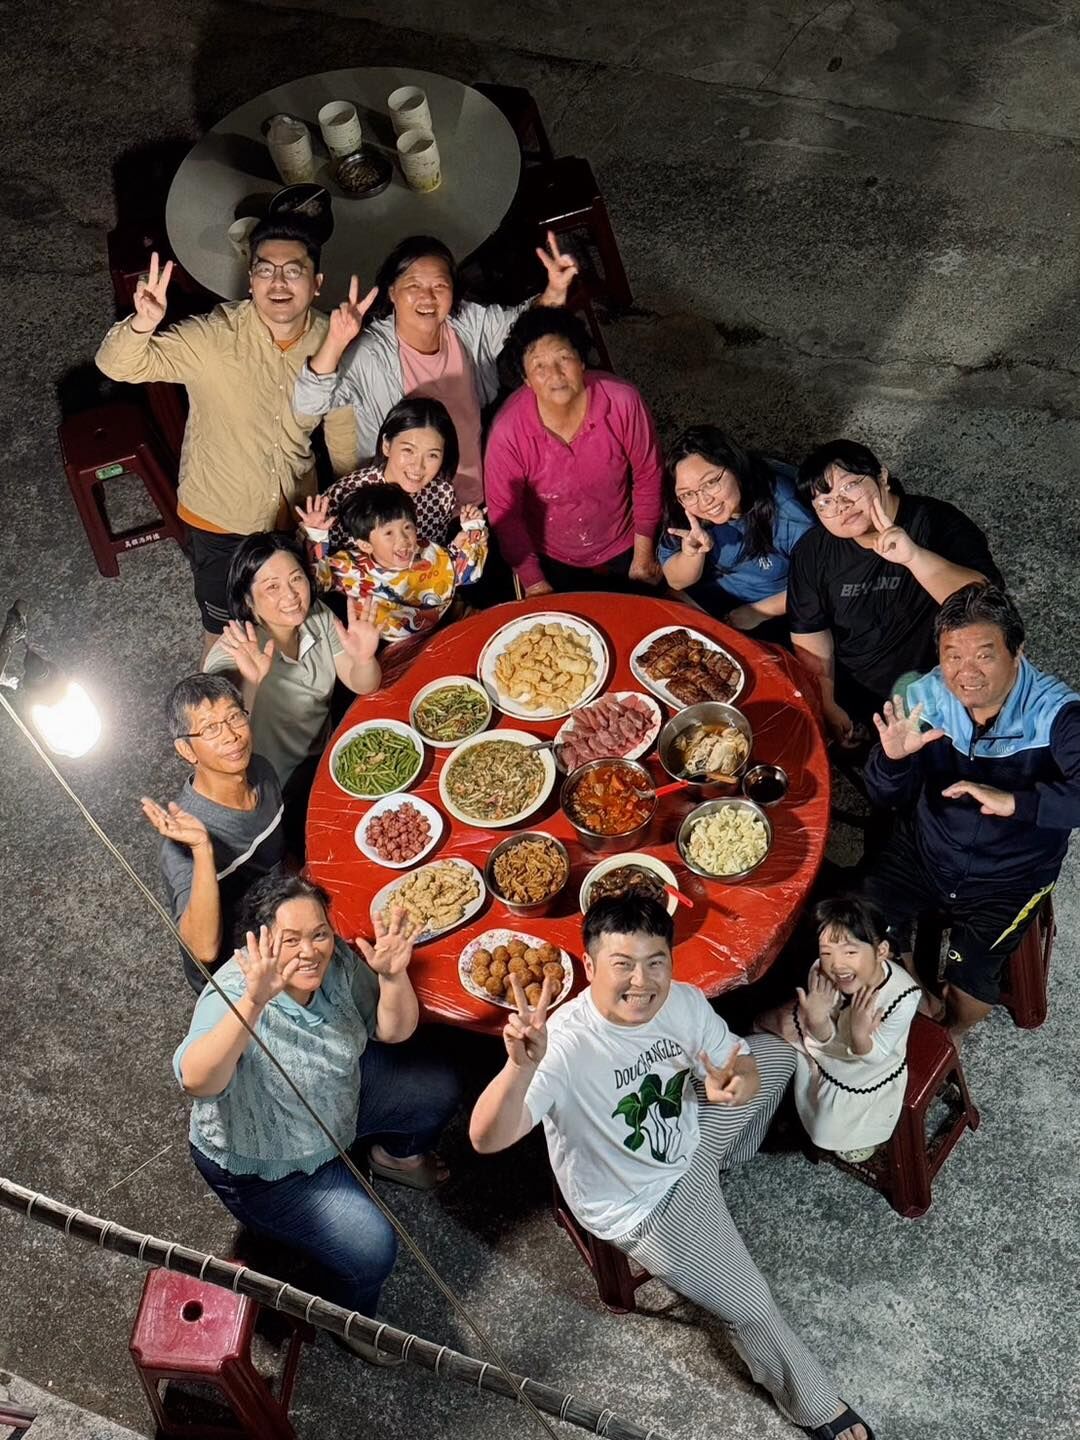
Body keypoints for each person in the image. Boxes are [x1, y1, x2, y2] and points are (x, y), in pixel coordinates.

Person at [470, 896, 875, 1440]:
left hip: (690, 1135)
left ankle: (723, 1164)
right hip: (642, 1202)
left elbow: (742, 1062)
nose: (641, 981)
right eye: (622, 964)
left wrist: (736, 1084)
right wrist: (519, 1068)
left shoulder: (681, 1001)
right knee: (752, 1305)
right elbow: (486, 1138)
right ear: (589, 966)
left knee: (779, 1057)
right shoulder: (562, 1045)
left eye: (655, 962)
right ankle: (814, 1404)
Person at [174, 873, 459, 1350]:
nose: (310, 951)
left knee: (435, 1085)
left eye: (319, 933)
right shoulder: (233, 992)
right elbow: (196, 1079)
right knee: (371, 1248)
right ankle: (352, 1321)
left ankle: (393, 1159)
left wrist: (393, 977)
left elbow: (393, 1031)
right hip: (270, 1165)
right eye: (291, 940)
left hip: (336, 1107)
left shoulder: (337, 962)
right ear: (259, 943)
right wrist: (253, 1002)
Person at [95, 223, 331, 652]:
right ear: (251, 280)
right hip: (222, 522)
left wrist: (347, 491)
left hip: (296, 513)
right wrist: (142, 324)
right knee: (227, 638)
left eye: (293, 271)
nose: (278, 283)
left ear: (316, 284)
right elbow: (117, 365)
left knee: (297, 616)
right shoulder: (214, 337)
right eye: (265, 270)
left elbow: (343, 420)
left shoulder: (329, 336)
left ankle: (296, 689)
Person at [862, 583, 1080, 1038]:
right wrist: (893, 760)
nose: (966, 673)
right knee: (864, 928)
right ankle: (920, 999)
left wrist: (1016, 802)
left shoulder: (1057, 714)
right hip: (926, 849)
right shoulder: (925, 696)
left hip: (1012, 875)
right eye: (953, 656)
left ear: (1017, 651)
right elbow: (883, 794)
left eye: (984, 655)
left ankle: (951, 1032)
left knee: (972, 982)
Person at [293, 233, 578, 502]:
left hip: (470, 501)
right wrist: (336, 341)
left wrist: (555, 290)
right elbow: (308, 404)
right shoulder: (371, 354)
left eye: (439, 286)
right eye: (413, 286)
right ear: (392, 292)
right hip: (402, 515)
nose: (428, 298)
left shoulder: (466, 324)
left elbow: (523, 323)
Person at [787, 439, 1001, 746]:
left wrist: (914, 556)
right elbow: (810, 631)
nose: (841, 505)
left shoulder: (936, 522)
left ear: (882, 477)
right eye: (825, 502)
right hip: (860, 692)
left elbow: (985, 605)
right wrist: (827, 701)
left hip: (942, 687)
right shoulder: (812, 553)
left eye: (850, 486)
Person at [203, 534, 381, 832]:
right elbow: (216, 725)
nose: (291, 595)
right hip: (278, 792)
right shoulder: (237, 649)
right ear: (248, 600)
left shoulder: (318, 616)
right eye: (272, 587)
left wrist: (364, 659)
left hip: (330, 757)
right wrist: (250, 681)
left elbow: (363, 684)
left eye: (296, 579)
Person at [483, 309, 665, 596]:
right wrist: (535, 582)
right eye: (539, 365)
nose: (555, 374)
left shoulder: (622, 401)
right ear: (526, 378)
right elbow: (506, 515)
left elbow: (648, 473)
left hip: (624, 540)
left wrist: (643, 555)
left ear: (581, 361)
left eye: (563, 358)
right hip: (552, 555)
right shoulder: (507, 432)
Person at [142, 674, 286, 995]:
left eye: (234, 717)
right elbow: (202, 950)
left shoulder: (261, 770)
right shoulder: (180, 844)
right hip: (236, 977)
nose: (231, 736)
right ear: (186, 749)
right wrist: (202, 848)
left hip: (280, 924)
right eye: (210, 729)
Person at [757, 897, 920, 1162]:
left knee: (827, 1127)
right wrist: (818, 1020)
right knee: (766, 1024)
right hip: (824, 1042)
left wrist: (859, 1035)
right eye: (827, 952)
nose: (837, 965)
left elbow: (875, 1056)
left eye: (850, 952)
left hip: (860, 1067)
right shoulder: (823, 974)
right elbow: (823, 1035)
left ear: (881, 951)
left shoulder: (903, 996)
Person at [659, 426, 812, 636]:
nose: (704, 501)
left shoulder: (785, 508)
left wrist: (759, 612)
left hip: (775, 607)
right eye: (687, 494)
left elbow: (820, 583)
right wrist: (692, 554)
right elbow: (676, 581)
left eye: (711, 482)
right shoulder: (686, 511)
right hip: (711, 599)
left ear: (735, 467)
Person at [297, 486, 487, 640]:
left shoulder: (426, 551)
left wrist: (473, 530)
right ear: (365, 545)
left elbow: (465, 575)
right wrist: (316, 535)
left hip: (449, 622)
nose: (403, 539)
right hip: (398, 647)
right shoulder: (349, 567)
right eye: (389, 533)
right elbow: (316, 581)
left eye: (407, 527)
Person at [311, 397, 461, 559]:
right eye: (408, 450)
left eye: (432, 455)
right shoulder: (344, 494)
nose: (418, 466)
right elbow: (318, 562)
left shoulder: (442, 494)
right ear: (387, 446)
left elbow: (437, 556)